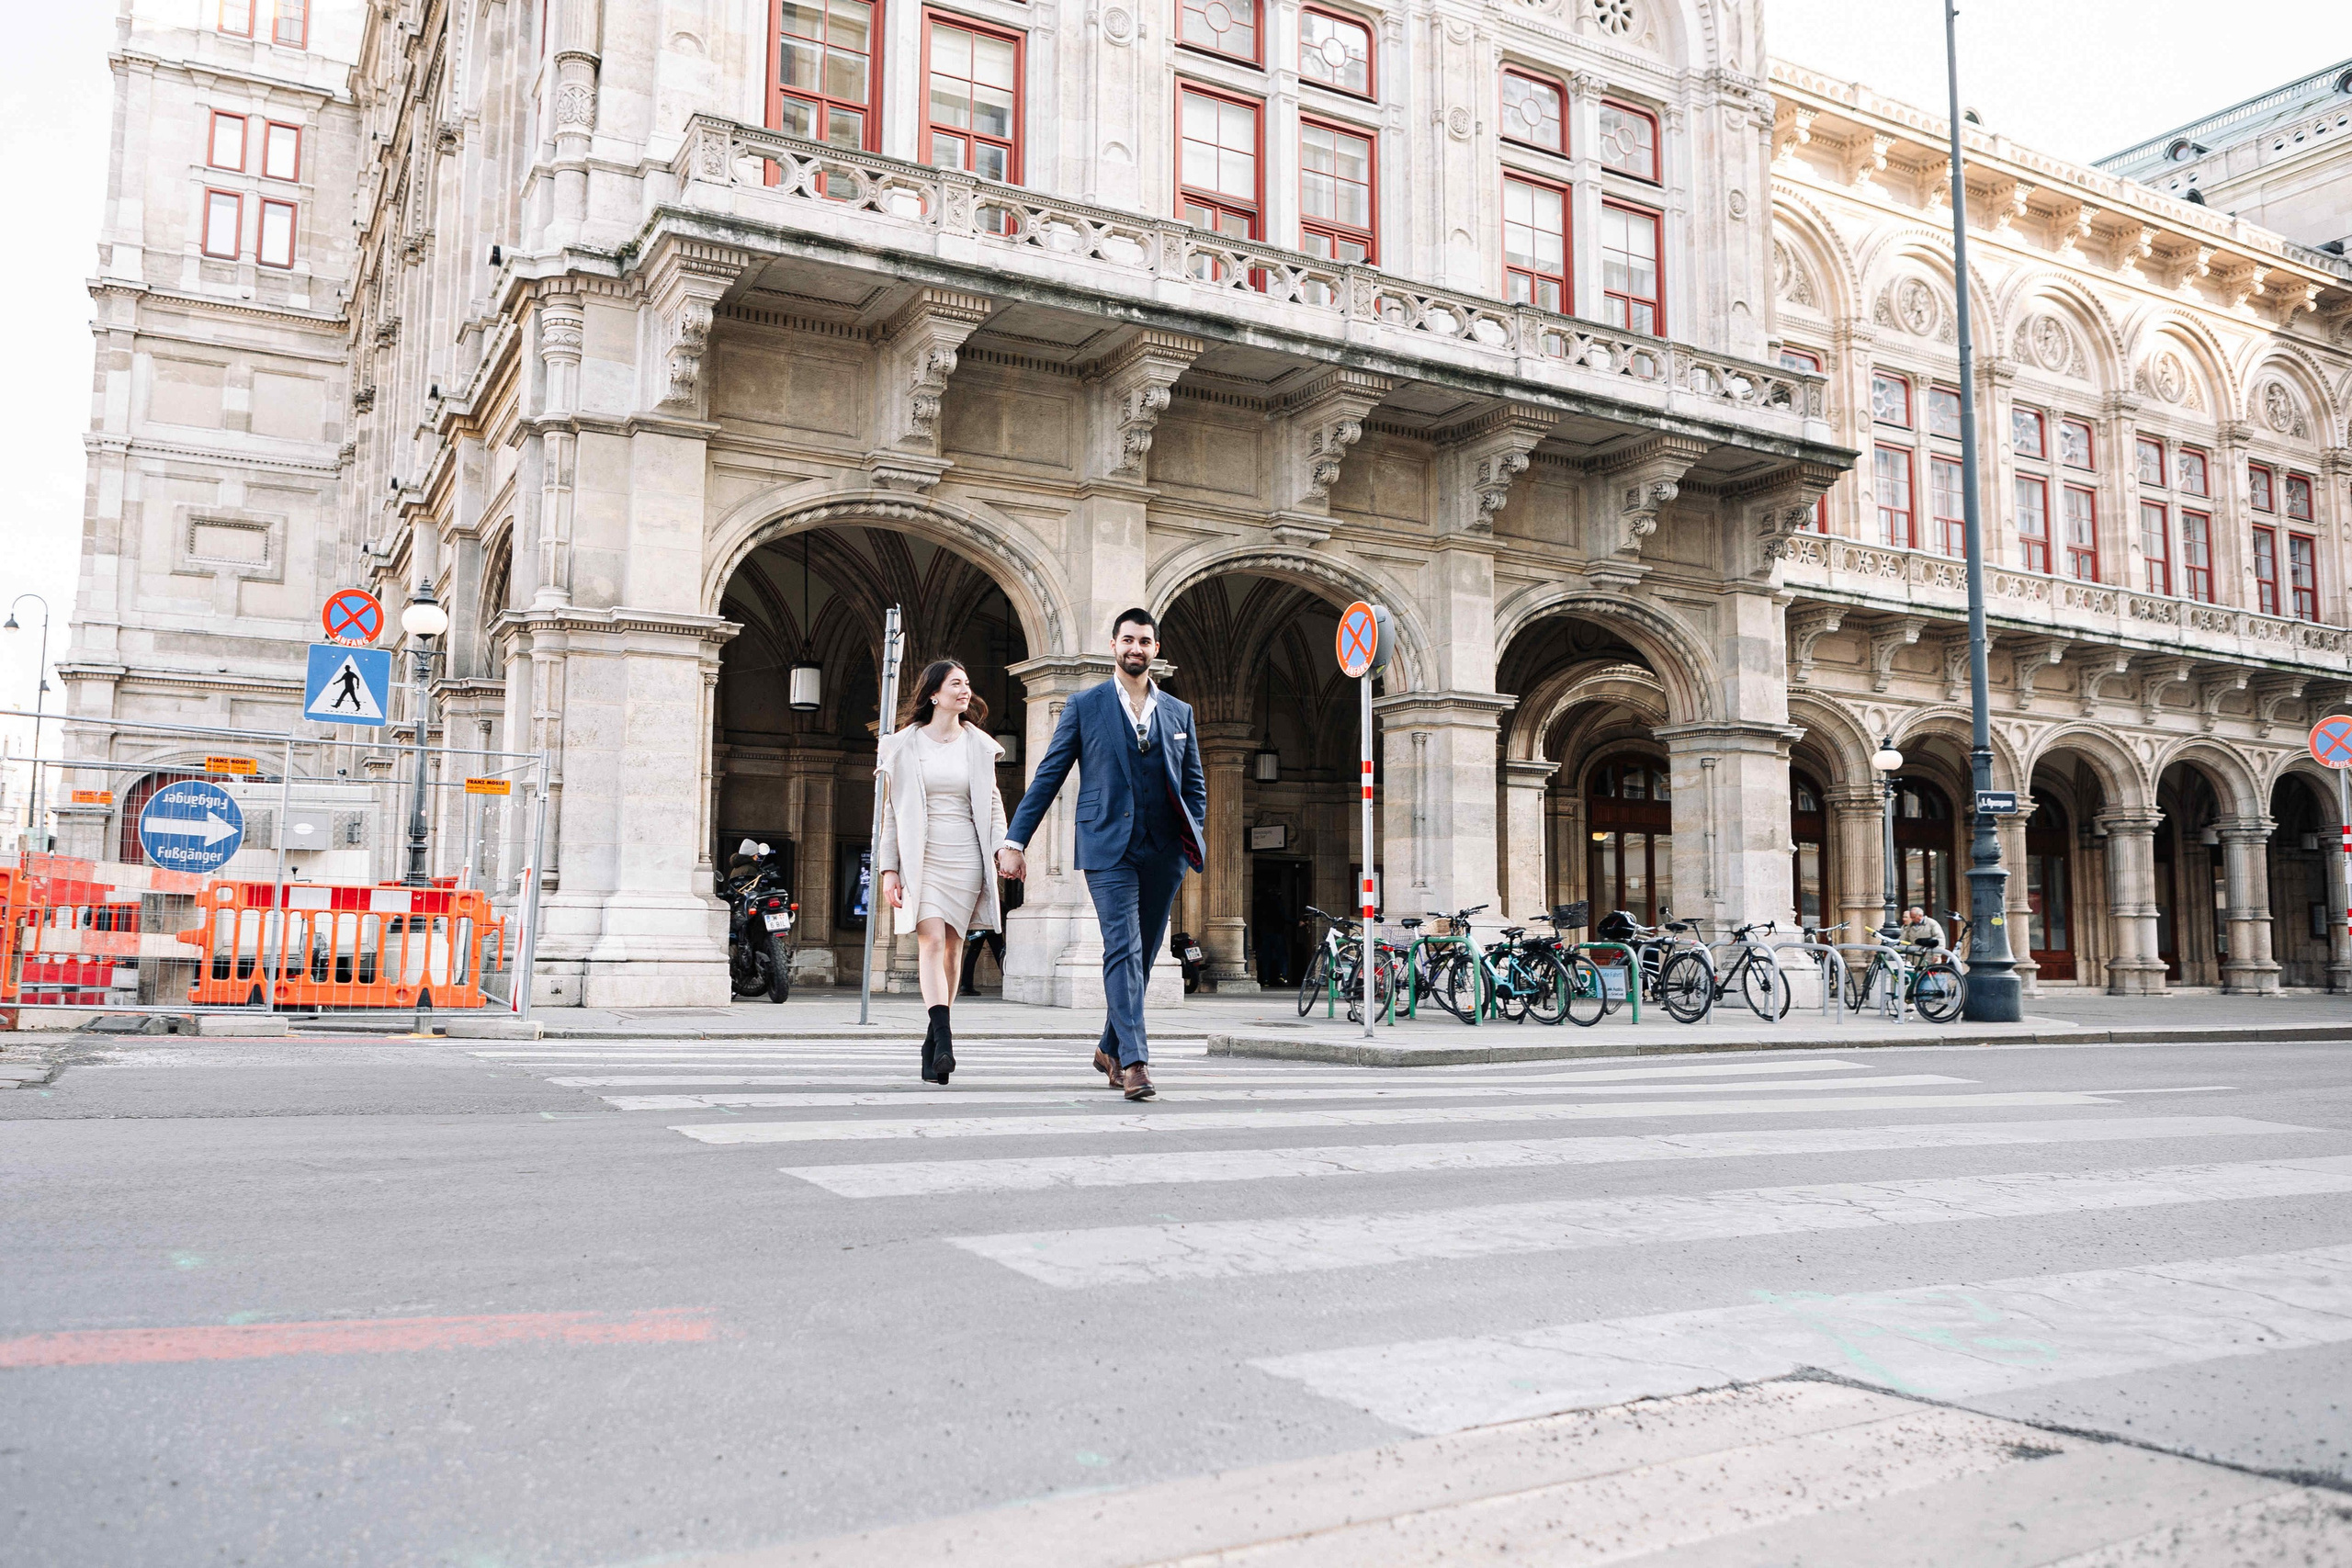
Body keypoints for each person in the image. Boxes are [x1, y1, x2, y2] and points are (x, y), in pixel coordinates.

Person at [998, 607, 1205, 1101]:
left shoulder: (1178, 712)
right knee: (1123, 947)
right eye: (1128, 640)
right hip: (1107, 845)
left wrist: (1190, 835)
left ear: (1156, 649)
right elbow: (1049, 774)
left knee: (1148, 952)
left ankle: (1108, 1046)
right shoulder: (1085, 705)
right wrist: (1014, 840)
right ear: (1114, 645)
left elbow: (1195, 785)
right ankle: (1134, 1061)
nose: (1136, 648)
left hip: (1164, 851)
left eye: (1146, 641)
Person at [876, 658, 1010, 1085]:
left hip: (966, 855)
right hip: (922, 857)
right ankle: (945, 1035)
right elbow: (890, 813)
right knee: (931, 939)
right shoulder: (902, 745)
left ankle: (932, 1040)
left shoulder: (979, 745)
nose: (964, 690)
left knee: (953, 947)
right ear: (934, 693)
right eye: (956, 683)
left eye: (967, 683)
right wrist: (888, 869)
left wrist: (1005, 849)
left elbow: (992, 804)